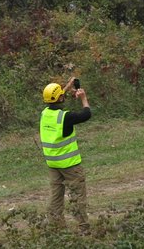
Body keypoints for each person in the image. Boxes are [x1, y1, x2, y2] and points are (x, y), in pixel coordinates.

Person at [39, 77, 92, 231]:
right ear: (60, 98)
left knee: (56, 197)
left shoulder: (45, 114)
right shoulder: (65, 117)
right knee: (77, 196)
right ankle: (84, 228)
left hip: (53, 164)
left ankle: (57, 228)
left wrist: (68, 86)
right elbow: (86, 114)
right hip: (69, 165)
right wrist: (83, 98)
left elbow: (57, 96)